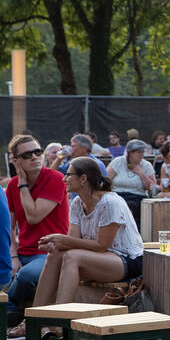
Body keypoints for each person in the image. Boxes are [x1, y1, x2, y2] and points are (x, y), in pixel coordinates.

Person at [31, 157, 144, 306]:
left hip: (127, 260)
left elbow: (101, 245)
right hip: (101, 257)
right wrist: (56, 244)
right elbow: (73, 240)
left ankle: (57, 320)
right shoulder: (77, 203)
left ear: (83, 178)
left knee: (72, 257)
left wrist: (63, 240)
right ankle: (35, 316)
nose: (64, 179)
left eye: (68, 174)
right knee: (55, 254)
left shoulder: (110, 203)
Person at [5, 135, 70, 327]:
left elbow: (34, 216)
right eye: (27, 155)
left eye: (37, 152)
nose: (34, 157)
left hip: (50, 252)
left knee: (25, 275)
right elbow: (9, 227)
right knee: (15, 271)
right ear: (16, 161)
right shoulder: (11, 185)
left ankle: (8, 307)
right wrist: (13, 256)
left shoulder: (56, 179)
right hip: (23, 252)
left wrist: (23, 184)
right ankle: (11, 311)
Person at [107, 139, 156, 225]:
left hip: (136, 196)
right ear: (130, 153)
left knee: (128, 206)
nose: (142, 155)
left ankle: (128, 230)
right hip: (117, 195)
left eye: (143, 152)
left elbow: (151, 187)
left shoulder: (146, 165)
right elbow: (107, 179)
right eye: (139, 152)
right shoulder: (118, 162)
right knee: (113, 204)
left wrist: (141, 173)